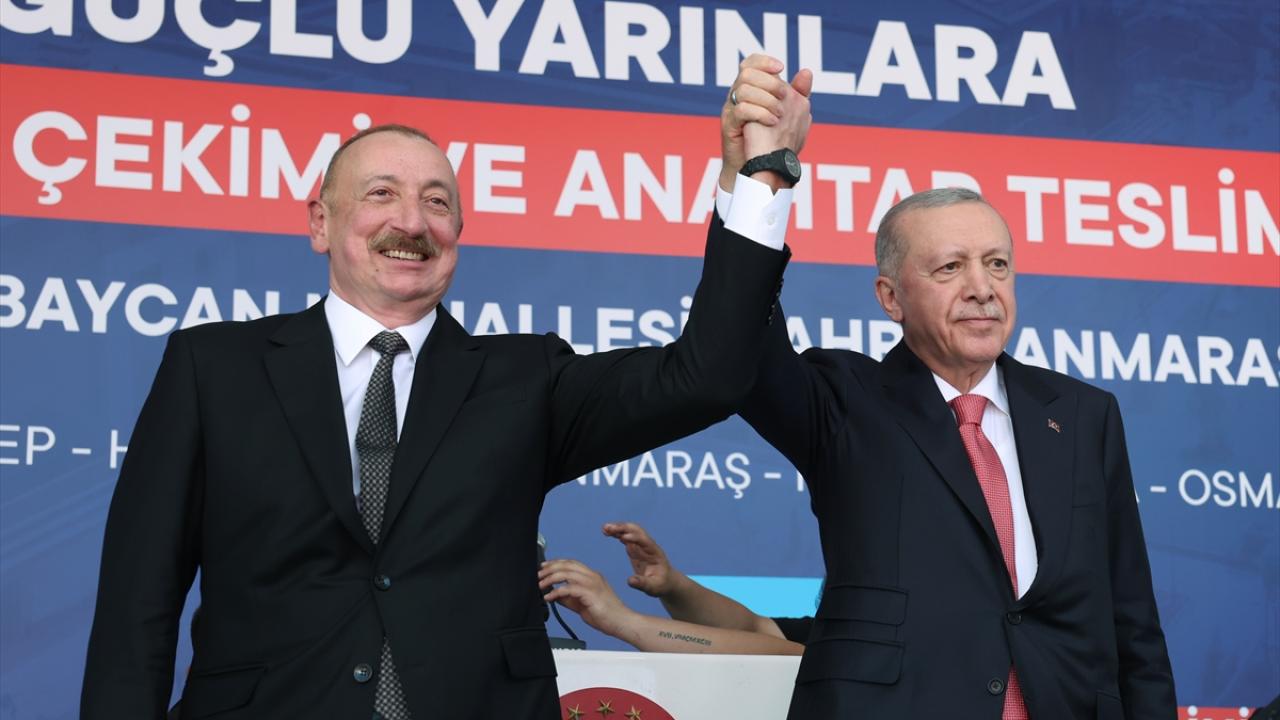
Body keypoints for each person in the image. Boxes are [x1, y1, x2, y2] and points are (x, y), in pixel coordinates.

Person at [80, 56, 810, 719]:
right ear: (320, 223)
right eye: (381, 194)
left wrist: (759, 179)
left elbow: (705, 377)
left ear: (459, 228)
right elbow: (138, 600)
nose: (411, 222)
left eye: (436, 202)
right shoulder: (214, 367)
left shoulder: (527, 379)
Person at [726, 176, 1177, 717]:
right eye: (950, 267)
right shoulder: (843, 402)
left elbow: (1132, 618)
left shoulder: (1083, 414)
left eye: (997, 264)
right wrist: (758, 184)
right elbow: (743, 346)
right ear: (890, 297)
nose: (982, 288)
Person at [539, 521, 806, 654]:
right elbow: (755, 628)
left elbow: (785, 655)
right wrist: (673, 586)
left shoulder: (827, 653)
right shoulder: (818, 628)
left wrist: (623, 620)